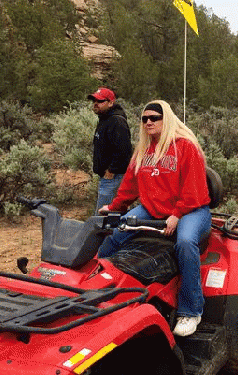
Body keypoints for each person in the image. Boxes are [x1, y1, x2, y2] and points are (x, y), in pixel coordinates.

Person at [98, 100, 212, 337]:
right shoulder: (143, 150)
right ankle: (97, 285)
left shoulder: (185, 147)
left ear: (166, 119)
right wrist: (114, 207)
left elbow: (193, 189)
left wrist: (177, 215)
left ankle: (191, 311)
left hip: (192, 210)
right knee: (116, 231)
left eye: (154, 118)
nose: (148, 122)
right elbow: (129, 185)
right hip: (153, 209)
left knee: (185, 243)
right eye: (144, 119)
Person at [88, 87, 133, 214]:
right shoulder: (105, 118)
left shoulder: (116, 121)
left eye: (100, 101)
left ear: (111, 103)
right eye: (94, 100)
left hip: (112, 178)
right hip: (107, 177)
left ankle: (107, 234)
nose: (96, 103)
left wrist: (112, 170)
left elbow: (124, 151)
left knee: (103, 216)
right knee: (110, 214)